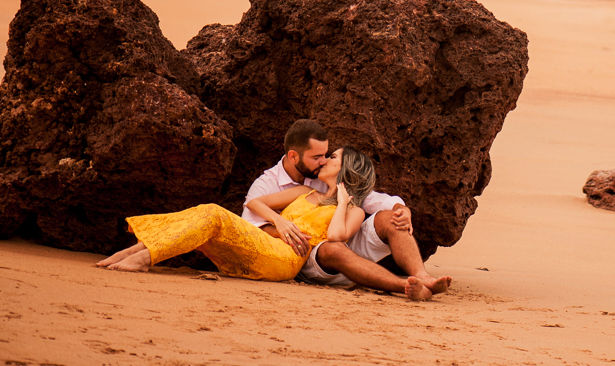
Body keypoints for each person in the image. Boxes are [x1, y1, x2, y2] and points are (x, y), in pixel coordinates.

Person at [95, 147, 378, 286]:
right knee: (205, 216)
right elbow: (255, 203)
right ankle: (139, 249)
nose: (325, 159)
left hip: (285, 260)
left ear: (347, 170)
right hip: (263, 247)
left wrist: (341, 201)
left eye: (333, 157)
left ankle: (145, 255)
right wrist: (279, 220)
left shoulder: (354, 210)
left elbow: (336, 237)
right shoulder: (304, 191)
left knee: (214, 213)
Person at [242, 119, 450, 300]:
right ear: (294, 156)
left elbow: (373, 200)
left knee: (390, 218)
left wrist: (403, 210)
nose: (323, 161)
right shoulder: (275, 186)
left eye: (329, 156)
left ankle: (422, 277)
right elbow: (251, 224)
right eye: (318, 157)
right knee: (333, 247)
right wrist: (281, 225)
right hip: (315, 253)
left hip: (346, 240)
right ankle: (404, 285)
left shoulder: (334, 187)